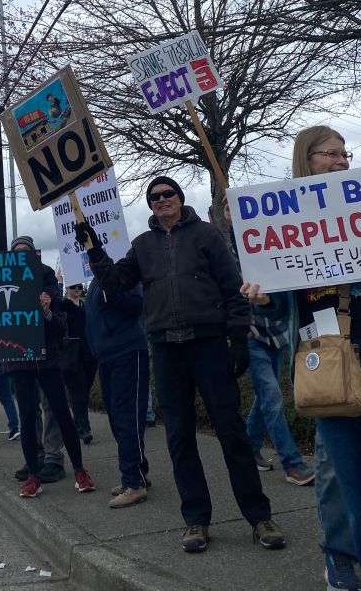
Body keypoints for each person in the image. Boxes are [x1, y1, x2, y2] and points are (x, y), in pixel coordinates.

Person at [242, 126, 361, 591]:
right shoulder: (284, 225)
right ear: (307, 159)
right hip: (320, 360)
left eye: (345, 153)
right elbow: (282, 304)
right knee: (355, 492)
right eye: (330, 153)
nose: (341, 160)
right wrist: (262, 299)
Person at [76, 176, 285, 553]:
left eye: (167, 194)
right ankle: (195, 520)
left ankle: (259, 516)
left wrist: (238, 337)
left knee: (231, 433)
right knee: (179, 438)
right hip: (166, 349)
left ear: (180, 198)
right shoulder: (142, 246)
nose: (161, 200)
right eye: (154, 197)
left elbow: (232, 288)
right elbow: (116, 282)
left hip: (208, 345)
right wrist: (94, 251)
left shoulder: (206, 236)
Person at [0, 233, 96, 498]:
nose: (21, 254)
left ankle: (80, 470)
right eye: (17, 251)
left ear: (34, 254)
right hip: (19, 361)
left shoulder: (47, 278)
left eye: (27, 251)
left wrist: (48, 309)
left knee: (61, 412)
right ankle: (34, 475)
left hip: (47, 358)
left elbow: (60, 326)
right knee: (27, 416)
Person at [222, 198, 314, 486]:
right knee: (272, 395)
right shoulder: (225, 255)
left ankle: (249, 447)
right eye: (228, 210)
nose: (234, 214)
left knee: (265, 397)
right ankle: (292, 463)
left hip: (277, 332)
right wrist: (236, 329)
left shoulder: (273, 244)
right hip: (252, 336)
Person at [85, 273, 150, 507]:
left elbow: (136, 307)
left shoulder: (123, 273)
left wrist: (112, 291)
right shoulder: (94, 279)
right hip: (107, 356)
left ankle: (134, 483)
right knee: (116, 416)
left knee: (126, 416)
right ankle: (137, 471)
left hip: (127, 352)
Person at [60, 282, 98, 443]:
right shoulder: (63, 306)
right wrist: (59, 281)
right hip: (72, 355)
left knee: (85, 391)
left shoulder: (87, 305)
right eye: (73, 286)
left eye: (79, 287)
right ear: (67, 288)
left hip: (89, 353)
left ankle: (77, 424)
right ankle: (84, 428)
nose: (76, 289)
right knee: (77, 392)